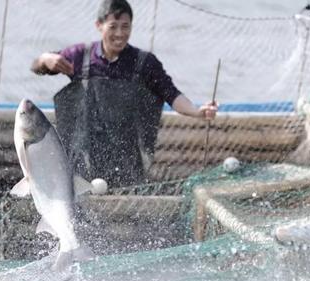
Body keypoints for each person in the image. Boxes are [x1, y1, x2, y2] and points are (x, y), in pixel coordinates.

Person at [31, 0, 217, 187]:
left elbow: (172, 95)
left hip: (128, 155)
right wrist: (46, 59)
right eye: (113, 27)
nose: (119, 34)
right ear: (99, 26)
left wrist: (196, 112)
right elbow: (37, 67)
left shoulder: (145, 63)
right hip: (84, 152)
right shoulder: (81, 56)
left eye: (125, 27)